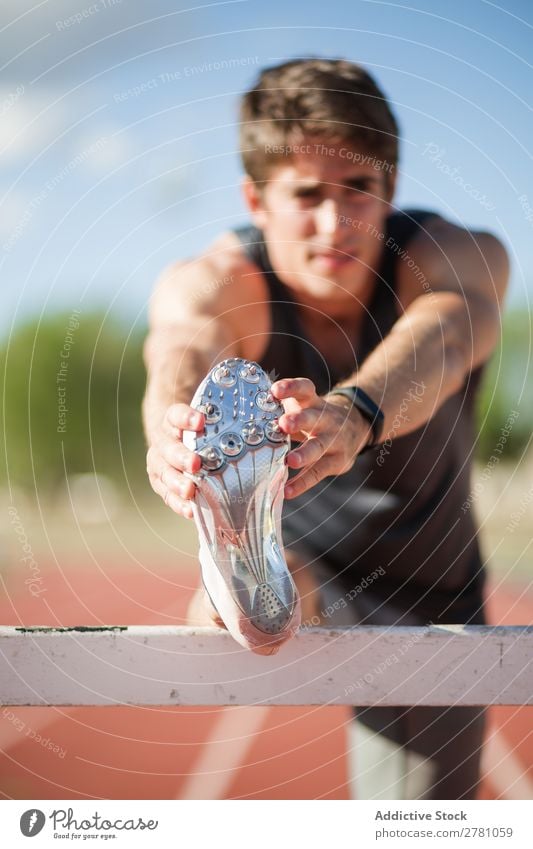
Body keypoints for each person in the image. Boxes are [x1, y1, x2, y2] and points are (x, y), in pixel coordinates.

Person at [142, 57, 509, 800]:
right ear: (256, 199)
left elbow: (445, 334)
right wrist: (173, 432)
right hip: (304, 566)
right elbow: (180, 345)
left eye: (358, 192)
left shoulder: (449, 255)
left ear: (390, 189)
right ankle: (236, 577)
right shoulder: (221, 279)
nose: (334, 224)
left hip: (434, 595)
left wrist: (354, 412)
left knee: (425, 822)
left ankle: (235, 588)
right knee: (254, 601)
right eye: (306, 195)